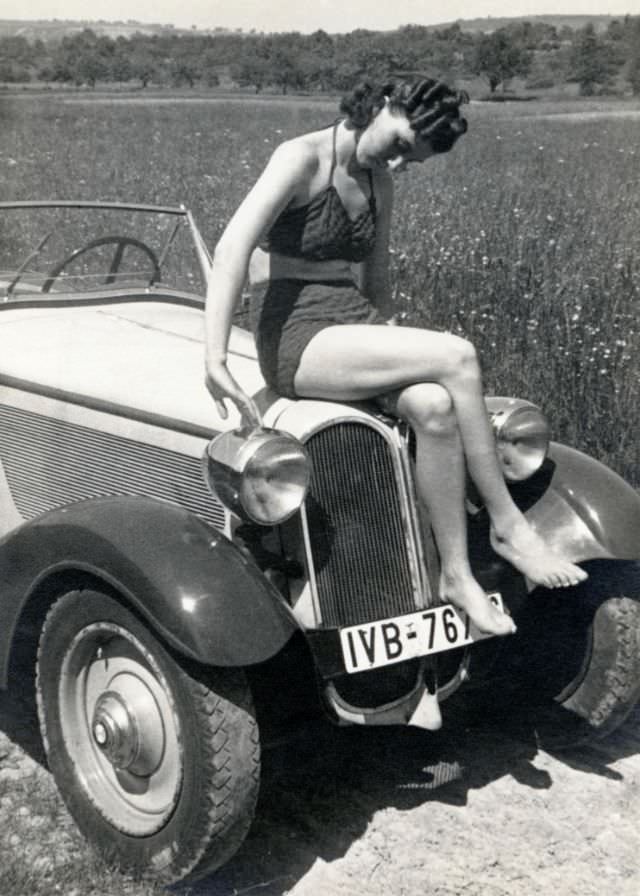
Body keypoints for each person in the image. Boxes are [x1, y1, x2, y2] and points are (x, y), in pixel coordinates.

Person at [204, 77, 587, 638]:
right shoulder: (300, 158)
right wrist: (214, 355)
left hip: (350, 324)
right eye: (402, 144)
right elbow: (232, 247)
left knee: (433, 405)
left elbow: (376, 283)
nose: (401, 162)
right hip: (297, 332)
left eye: (414, 158)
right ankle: (507, 524)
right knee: (459, 356)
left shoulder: (381, 183)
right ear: (384, 105)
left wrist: (393, 353)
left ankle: (455, 576)